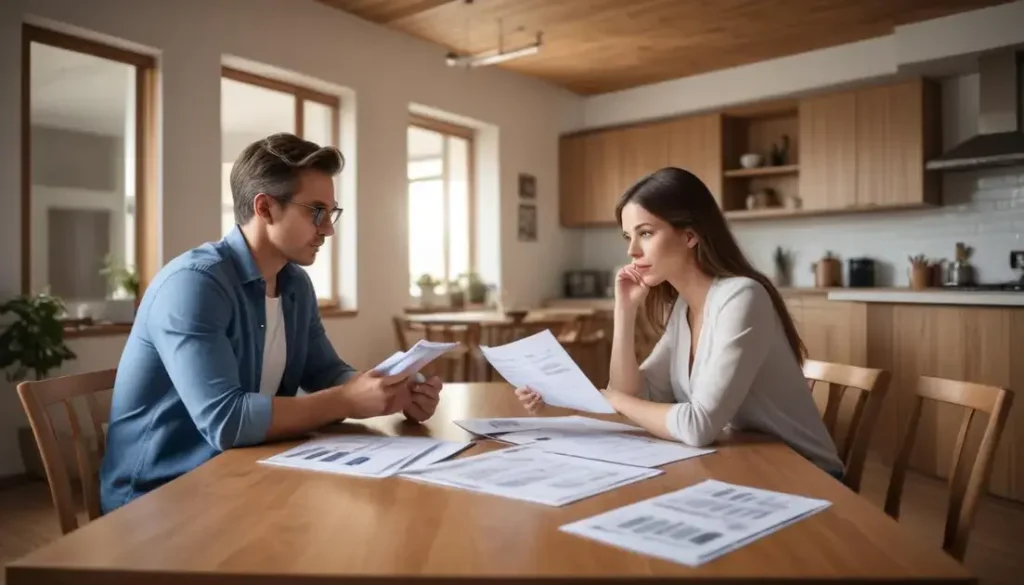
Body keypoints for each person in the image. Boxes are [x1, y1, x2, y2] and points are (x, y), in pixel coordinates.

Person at [100, 133, 443, 513]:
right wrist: (347, 399)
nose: (328, 228)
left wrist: (389, 391)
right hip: (161, 498)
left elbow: (325, 371)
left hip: (242, 474)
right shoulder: (193, 285)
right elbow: (226, 421)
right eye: (316, 211)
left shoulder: (294, 283)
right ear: (265, 208)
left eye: (331, 213)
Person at [516, 167, 843, 479]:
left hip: (807, 475)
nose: (631, 250)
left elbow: (697, 426)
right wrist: (624, 312)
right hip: (745, 464)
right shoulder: (684, 307)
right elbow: (636, 392)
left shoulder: (742, 297)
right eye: (628, 236)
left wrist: (612, 399)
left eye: (645, 233)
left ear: (690, 235)